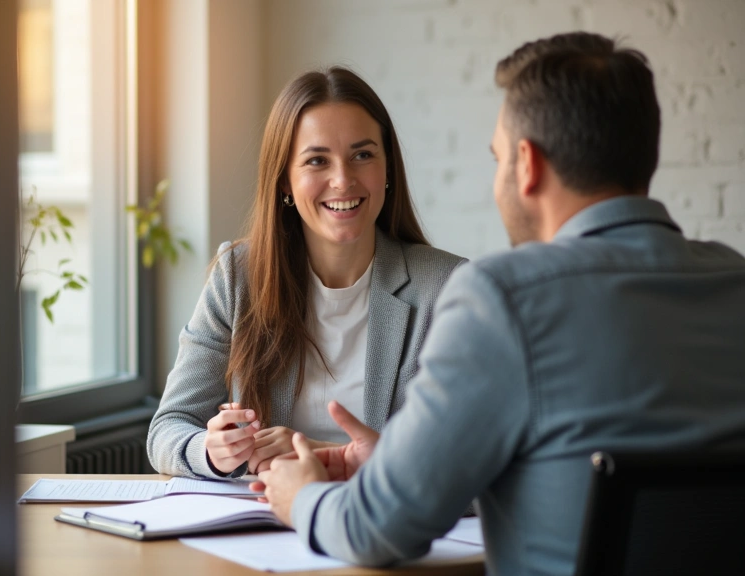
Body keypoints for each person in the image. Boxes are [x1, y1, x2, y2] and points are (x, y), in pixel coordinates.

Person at [252, 32, 745, 575]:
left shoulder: (505, 299)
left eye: (498, 157)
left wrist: (302, 498)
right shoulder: (734, 283)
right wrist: (397, 463)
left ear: (527, 165)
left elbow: (375, 530)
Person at [146, 67, 465, 479]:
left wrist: (328, 456)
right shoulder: (237, 277)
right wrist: (211, 451)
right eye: (317, 160)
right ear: (284, 182)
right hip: (257, 528)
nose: (343, 179)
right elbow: (167, 428)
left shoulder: (448, 288)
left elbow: (471, 458)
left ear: (388, 170)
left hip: (381, 532)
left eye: (363, 155)